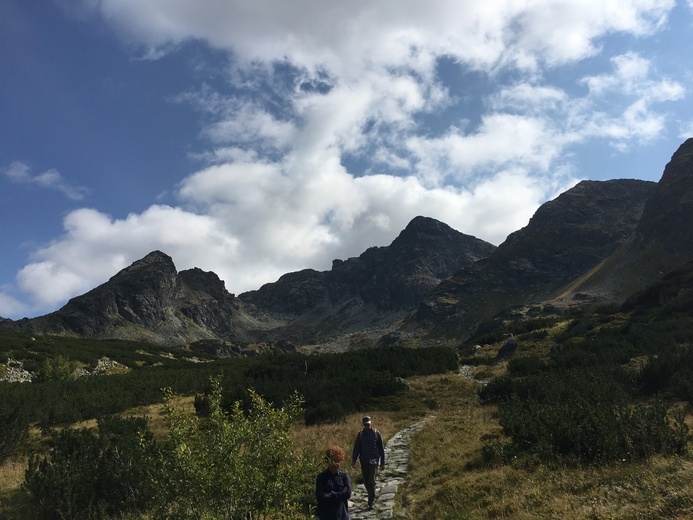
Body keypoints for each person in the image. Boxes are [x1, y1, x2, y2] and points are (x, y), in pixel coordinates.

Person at [351, 415, 385, 511]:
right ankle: (372, 494)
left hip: (374, 461)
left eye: (368, 424)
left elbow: (381, 449)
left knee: (371, 481)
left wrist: (382, 462)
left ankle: (371, 501)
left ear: (371, 423)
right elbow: (357, 447)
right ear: (363, 424)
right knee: (366, 481)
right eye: (365, 424)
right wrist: (354, 460)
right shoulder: (360, 435)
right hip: (364, 461)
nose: (367, 426)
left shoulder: (376, 433)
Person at [316, 444, 352, 520]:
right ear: (327, 461)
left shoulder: (344, 476)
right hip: (326, 515)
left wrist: (331, 494)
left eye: (337, 461)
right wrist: (340, 494)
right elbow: (320, 497)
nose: (335, 464)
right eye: (333, 461)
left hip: (341, 515)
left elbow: (348, 494)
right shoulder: (322, 477)